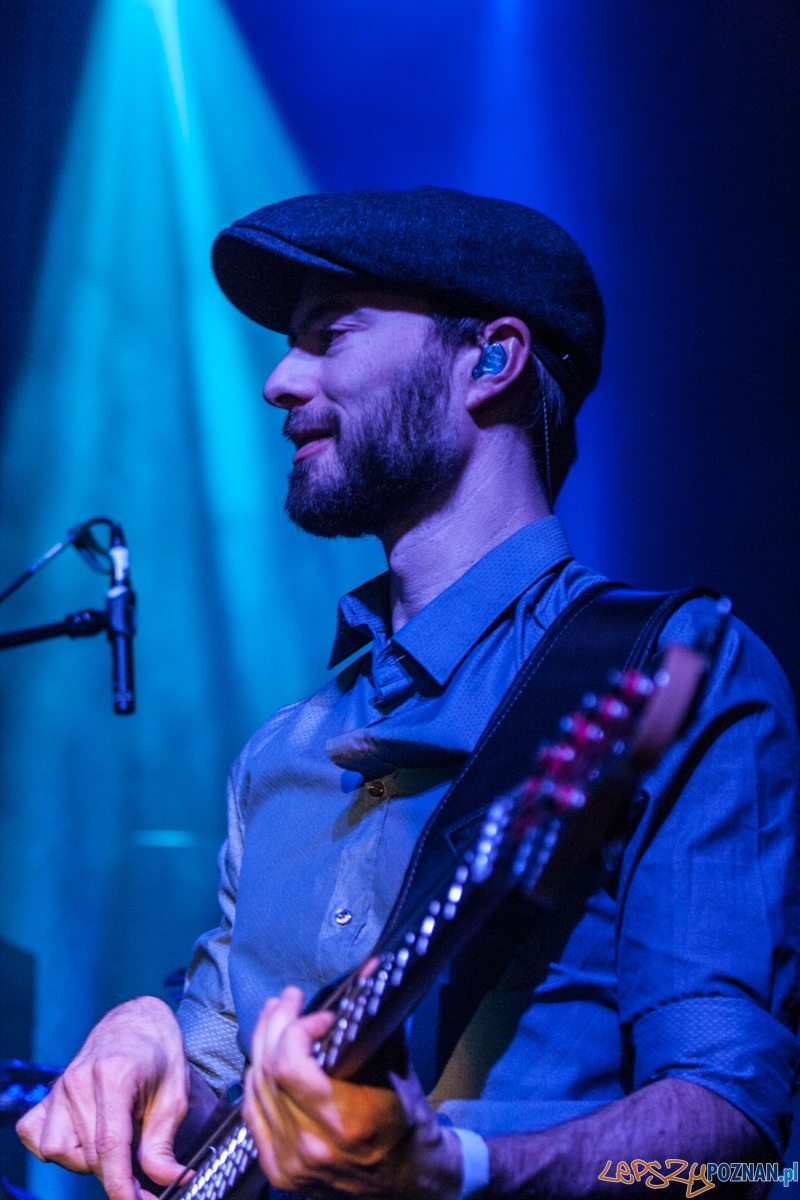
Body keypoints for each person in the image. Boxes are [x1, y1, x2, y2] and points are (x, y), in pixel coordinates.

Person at [18, 188, 799, 1200]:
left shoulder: (666, 665)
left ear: (490, 360)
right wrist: (148, 1048)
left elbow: (744, 1138)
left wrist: (455, 1167)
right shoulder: (279, 752)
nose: (277, 380)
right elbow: (239, 1140)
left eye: (329, 335)